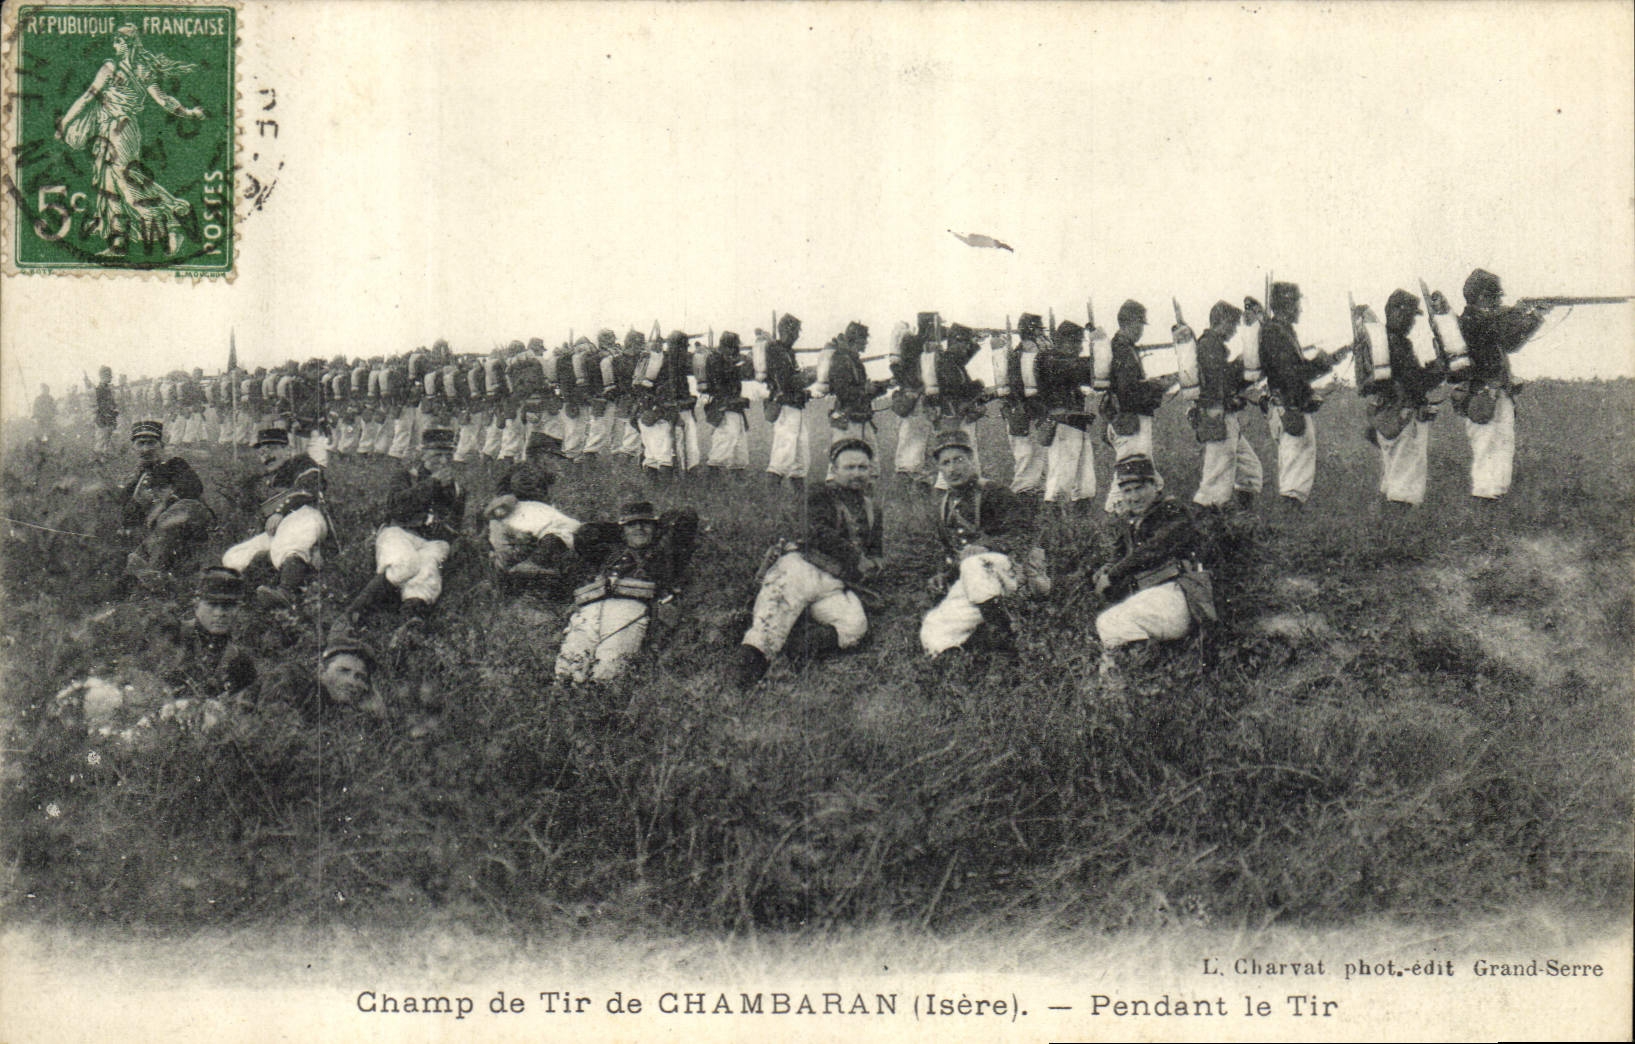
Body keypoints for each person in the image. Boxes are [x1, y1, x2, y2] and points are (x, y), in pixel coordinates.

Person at [734, 438, 884, 688]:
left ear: (870, 470)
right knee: (767, 626)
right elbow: (816, 532)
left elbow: (875, 547)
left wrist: (876, 562)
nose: (857, 473)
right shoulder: (818, 493)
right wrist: (856, 558)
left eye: (862, 467)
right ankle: (741, 686)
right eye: (849, 467)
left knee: (853, 627)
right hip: (800, 569)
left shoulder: (871, 507)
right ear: (834, 470)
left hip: (835, 581)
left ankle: (792, 652)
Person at [54, 24, 205, 256]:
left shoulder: (110, 68)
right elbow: (164, 100)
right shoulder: (144, 70)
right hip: (120, 130)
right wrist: (189, 112)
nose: (114, 46)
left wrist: (64, 123)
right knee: (108, 184)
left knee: (126, 182)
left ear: (126, 45)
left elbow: (87, 98)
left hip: (117, 130)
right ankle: (118, 242)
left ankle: (172, 220)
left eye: (117, 42)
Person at [1091, 455, 1216, 690]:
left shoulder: (1173, 511)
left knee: (1111, 622)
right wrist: (1105, 570)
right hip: (1153, 597)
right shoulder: (1132, 523)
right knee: (1109, 626)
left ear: (1155, 486)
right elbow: (1120, 556)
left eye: (1139, 488)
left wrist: (1114, 573)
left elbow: (1154, 549)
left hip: (1179, 593)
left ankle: (1143, 683)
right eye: (1127, 491)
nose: (1133, 497)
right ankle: (1130, 688)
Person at [920, 430, 1047, 659]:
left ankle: (1005, 637)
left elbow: (1025, 533)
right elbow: (953, 555)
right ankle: (969, 664)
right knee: (933, 627)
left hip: (1012, 572)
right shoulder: (945, 506)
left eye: (959, 459)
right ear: (939, 469)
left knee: (974, 564)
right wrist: (943, 575)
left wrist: (987, 546)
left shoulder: (994, 492)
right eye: (945, 463)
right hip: (976, 582)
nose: (952, 468)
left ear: (972, 460)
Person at [555, 502, 700, 683]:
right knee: (568, 667)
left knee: (608, 669)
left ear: (656, 529)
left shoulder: (665, 552)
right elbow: (583, 535)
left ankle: (597, 703)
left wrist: (657, 527)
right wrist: (618, 528)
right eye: (632, 524)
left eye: (645, 524)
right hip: (592, 606)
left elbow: (686, 517)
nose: (639, 528)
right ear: (622, 531)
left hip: (631, 607)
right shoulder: (609, 552)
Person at [346, 428, 467, 622]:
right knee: (405, 563)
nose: (444, 462)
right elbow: (395, 508)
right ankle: (353, 613)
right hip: (399, 532)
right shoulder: (405, 477)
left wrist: (447, 534)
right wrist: (432, 484)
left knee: (427, 572)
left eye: (448, 456)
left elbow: (454, 524)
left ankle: (410, 625)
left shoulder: (457, 489)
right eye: (437, 455)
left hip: (431, 541)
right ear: (423, 453)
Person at [1455, 268, 1548, 502]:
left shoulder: (1480, 320)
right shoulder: (1472, 322)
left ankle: (1495, 497)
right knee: (1487, 447)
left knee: (1501, 445)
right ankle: (1485, 500)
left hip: (1495, 393)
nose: (1499, 302)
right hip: (1483, 394)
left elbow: (1510, 342)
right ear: (1482, 298)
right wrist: (1529, 316)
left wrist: (1530, 317)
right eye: (1495, 297)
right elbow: (1506, 337)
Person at [1258, 281, 1343, 508]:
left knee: (1293, 469)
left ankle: (1289, 521)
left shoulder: (1278, 331)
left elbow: (1291, 371)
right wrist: (1320, 364)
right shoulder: (1277, 333)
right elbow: (1291, 374)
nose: (1300, 308)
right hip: (1290, 407)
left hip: (1285, 406)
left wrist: (1324, 363)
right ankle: (1288, 523)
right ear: (1288, 304)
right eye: (1297, 303)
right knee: (1295, 477)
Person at [222, 427, 328, 608]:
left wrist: (280, 511)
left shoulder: (302, 463)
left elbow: (308, 489)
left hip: (306, 516)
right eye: (261, 451)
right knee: (233, 556)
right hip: (280, 531)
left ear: (288, 450)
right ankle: (243, 594)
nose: (265, 454)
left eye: (272, 448)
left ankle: (286, 591)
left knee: (292, 537)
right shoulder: (266, 480)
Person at [1368, 289, 1446, 508]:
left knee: (1392, 476)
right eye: (1410, 315)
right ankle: (1398, 537)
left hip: (1385, 415)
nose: (1412, 321)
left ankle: (1383, 532)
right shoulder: (1399, 344)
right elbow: (1414, 382)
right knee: (1404, 483)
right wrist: (1439, 370)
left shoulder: (1381, 341)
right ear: (1395, 312)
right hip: (1403, 416)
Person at [119, 419, 211, 589]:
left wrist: (165, 504)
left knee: (175, 515)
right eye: (141, 444)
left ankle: (151, 575)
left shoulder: (174, 465)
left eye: (151, 443)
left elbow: (192, 486)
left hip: (186, 525)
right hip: (157, 534)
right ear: (134, 448)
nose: (146, 449)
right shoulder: (133, 480)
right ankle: (142, 575)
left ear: (161, 445)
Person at [1190, 301, 1264, 511]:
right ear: (1221, 322)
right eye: (1232, 324)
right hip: (1219, 418)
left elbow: (1223, 379)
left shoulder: (1210, 345)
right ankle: (1207, 527)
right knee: (1215, 482)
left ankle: (1242, 520)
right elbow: (1217, 386)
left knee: (1250, 471)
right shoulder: (1210, 346)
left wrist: (1241, 365)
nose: (1234, 330)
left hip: (1223, 418)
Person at [485, 439, 582, 592]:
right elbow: (523, 492)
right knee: (568, 527)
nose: (556, 462)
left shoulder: (533, 471)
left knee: (566, 528)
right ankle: (535, 563)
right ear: (539, 456)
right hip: (518, 509)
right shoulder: (527, 469)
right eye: (551, 457)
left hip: (518, 512)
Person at [1102, 300, 1171, 512]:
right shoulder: (1123, 349)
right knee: (1128, 475)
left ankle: (1130, 522)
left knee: (1141, 474)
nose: (1141, 330)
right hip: (1131, 422)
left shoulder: (1122, 347)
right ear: (1131, 323)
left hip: (1130, 421)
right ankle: (1113, 524)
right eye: (1140, 324)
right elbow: (1127, 391)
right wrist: (1155, 386)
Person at [151, 566, 259, 700]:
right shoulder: (173, 636)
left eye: (228, 606)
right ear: (196, 605)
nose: (219, 613)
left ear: (238, 609)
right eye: (212, 605)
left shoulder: (241, 662)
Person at [1038, 319, 1100, 508]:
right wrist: (1099, 350)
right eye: (1076, 342)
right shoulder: (1051, 361)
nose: (1079, 347)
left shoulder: (1055, 360)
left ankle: (1078, 527)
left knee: (1084, 482)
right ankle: (1054, 530)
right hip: (1063, 425)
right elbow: (1079, 370)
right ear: (1062, 341)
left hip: (1074, 424)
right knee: (1060, 482)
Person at [258, 634, 378, 721]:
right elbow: (272, 721)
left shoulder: (348, 712)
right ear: (321, 671)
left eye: (359, 677)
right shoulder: (294, 679)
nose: (351, 681)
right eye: (343, 671)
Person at [764, 313, 814, 488]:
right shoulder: (776, 350)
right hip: (785, 407)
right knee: (782, 456)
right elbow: (785, 382)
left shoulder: (787, 352)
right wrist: (807, 378)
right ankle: (772, 503)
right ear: (785, 330)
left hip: (795, 406)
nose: (797, 336)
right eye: (795, 332)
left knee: (800, 459)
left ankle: (799, 503)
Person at [1002, 313, 1049, 500]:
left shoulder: (1029, 354)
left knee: (1037, 460)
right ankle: (1021, 504)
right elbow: (1016, 387)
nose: (1041, 334)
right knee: (1026, 460)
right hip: (1023, 415)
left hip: (1032, 415)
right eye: (1038, 329)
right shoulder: (1021, 356)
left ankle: (1034, 502)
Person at [703, 331, 754, 474]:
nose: (734, 350)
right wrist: (738, 364)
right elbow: (719, 382)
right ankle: (712, 482)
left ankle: (737, 485)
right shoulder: (714, 359)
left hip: (734, 406)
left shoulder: (726, 359)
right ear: (726, 346)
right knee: (723, 444)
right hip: (723, 406)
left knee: (740, 449)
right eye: (733, 347)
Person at [88, 366, 119, 458]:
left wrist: (114, 411)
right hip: (102, 419)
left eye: (110, 375)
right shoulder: (97, 390)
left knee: (108, 439)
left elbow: (112, 403)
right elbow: (93, 407)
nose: (110, 377)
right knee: (101, 440)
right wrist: (97, 418)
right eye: (108, 375)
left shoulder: (108, 389)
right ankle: (96, 461)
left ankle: (105, 458)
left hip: (110, 418)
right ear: (102, 376)